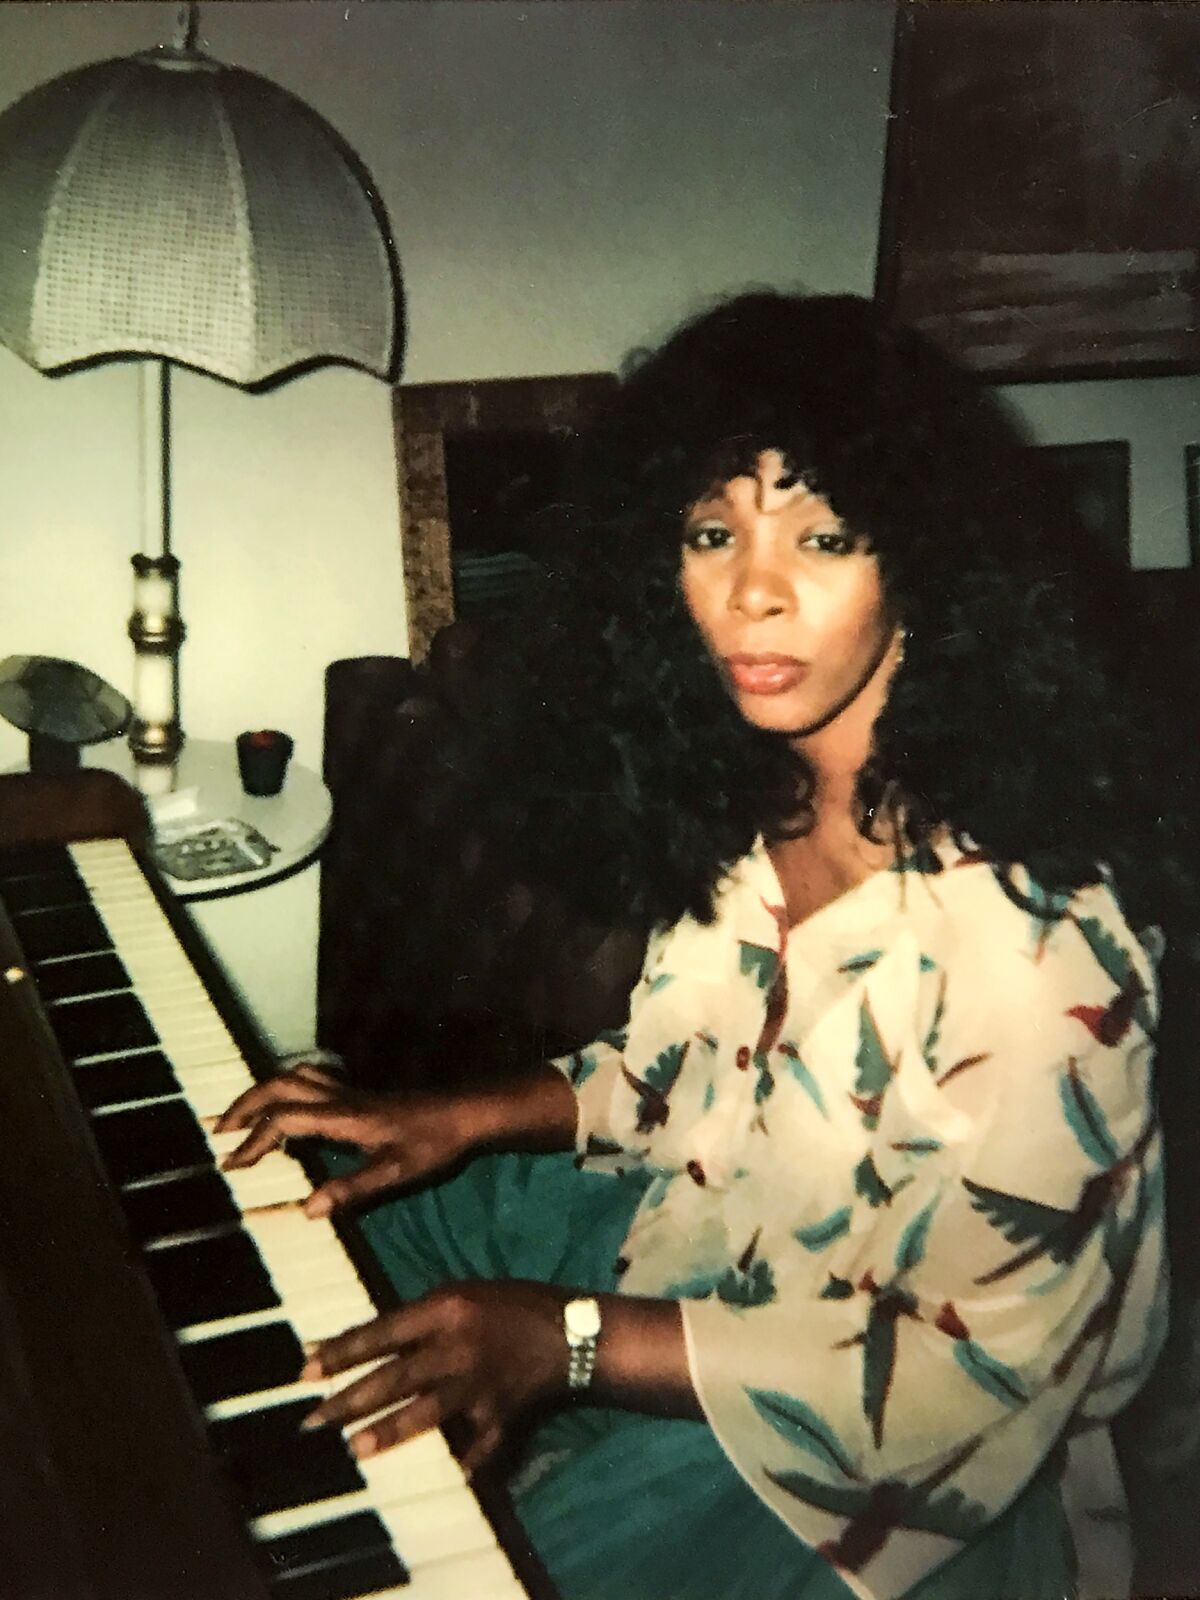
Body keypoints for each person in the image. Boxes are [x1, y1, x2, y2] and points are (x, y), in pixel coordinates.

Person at [218, 292, 1190, 1600]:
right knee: (305, 1217)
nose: (753, 592)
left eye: (825, 534)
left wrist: (567, 1346)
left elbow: (970, 1369)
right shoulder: (759, 802)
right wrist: (454, 1115)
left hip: (897, 1455)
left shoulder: (1043, 956)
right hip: (713, 1242)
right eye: (712, 531)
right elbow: (690, 1072)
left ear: (930, 563)